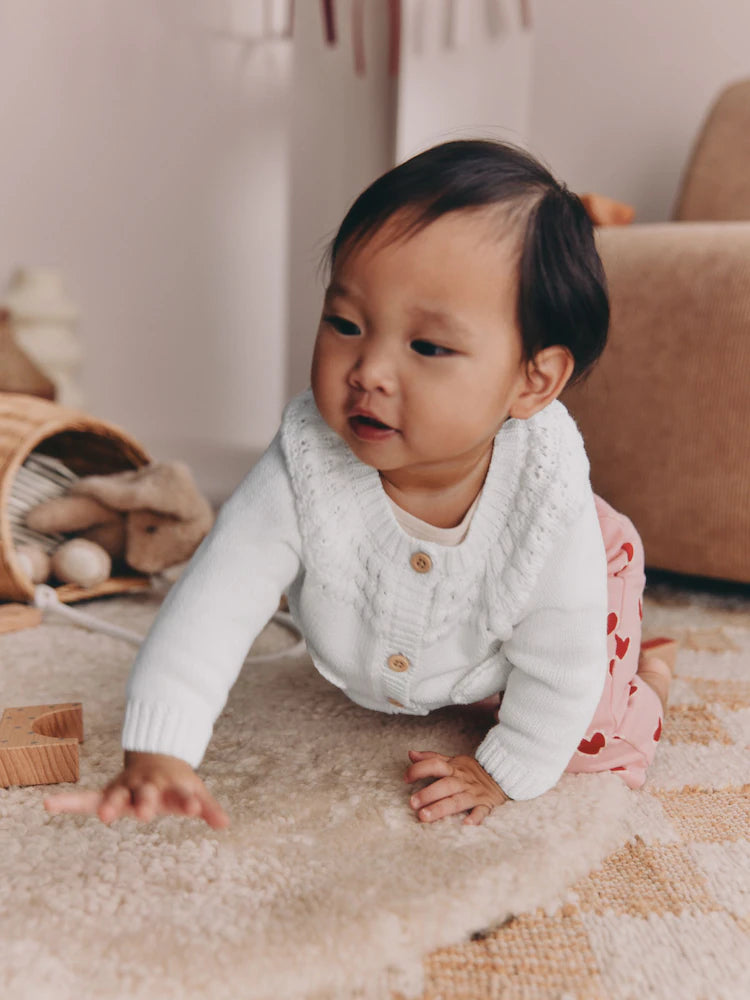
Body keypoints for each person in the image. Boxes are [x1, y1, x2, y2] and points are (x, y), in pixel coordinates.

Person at [45, 139, 672, 830]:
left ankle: (651, 672)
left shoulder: (548, 505)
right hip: (454, 639)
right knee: (476, 683)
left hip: (585, 580)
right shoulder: (306, 462)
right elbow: (211, 606)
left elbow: (561, 664)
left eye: (428, 347)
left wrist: (504, 771)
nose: (368, 369)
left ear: (534, 381)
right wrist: (159, 749)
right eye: (345, 324)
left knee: (588, 731)